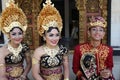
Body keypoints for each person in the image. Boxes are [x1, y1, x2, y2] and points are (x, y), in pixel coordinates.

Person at [32, 0, 69, 80]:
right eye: (51, 35)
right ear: (44, 37)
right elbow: (35, 73)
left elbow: (66, 69)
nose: (54, 38)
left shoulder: (63, 50)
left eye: (57, 35)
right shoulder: (38, 52)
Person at [72, 16, 114, 80]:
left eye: (100, 30)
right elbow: (75, 68)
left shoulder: (108, 49)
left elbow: (110, 66)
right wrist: (81, 76)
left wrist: (108, 72)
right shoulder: (79, 49)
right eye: (94, 29)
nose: (97, 32)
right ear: (89, 33)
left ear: (103, 34)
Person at [0, 0, 31, 80]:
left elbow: (29, 64)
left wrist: (24, 75)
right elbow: (2, 75)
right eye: (14, 34)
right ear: (8, 35)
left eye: (20, 33)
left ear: (23, 34)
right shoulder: (3, 51)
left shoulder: (25, 47)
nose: (17, 37)